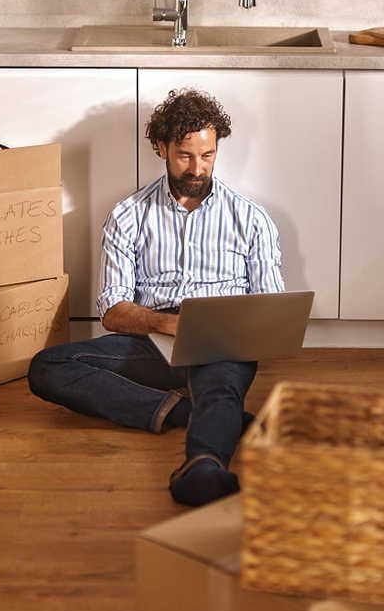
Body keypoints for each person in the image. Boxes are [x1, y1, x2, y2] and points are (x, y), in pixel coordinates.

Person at [27, 89, 284, 507]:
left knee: (219, 384)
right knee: (48, 366)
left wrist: (236, 330)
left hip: (220, 340)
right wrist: (166, 324)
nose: (197, 168)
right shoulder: (128, 216)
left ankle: (203, 465)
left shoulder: (251, 220)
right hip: (152, 339)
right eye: (185, 155)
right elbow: (112, 310)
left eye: (208, 155)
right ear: (161, 148)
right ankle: (198, 414)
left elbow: (270, 309)